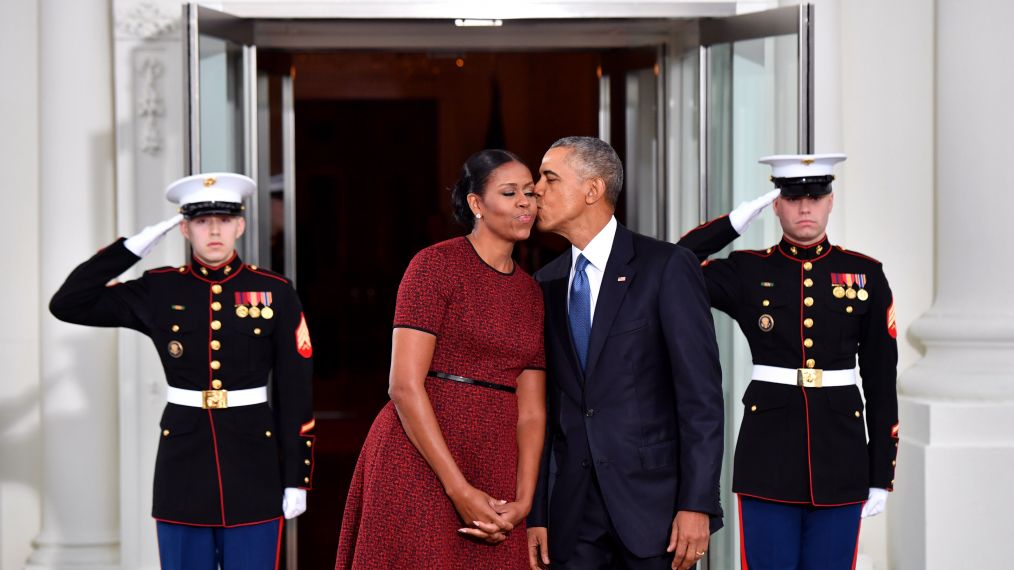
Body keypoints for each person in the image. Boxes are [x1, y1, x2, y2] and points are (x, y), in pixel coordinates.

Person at [49, 173, 315, 569]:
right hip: (183, 464)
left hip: (253, 465)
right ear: (184, 229)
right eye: (201, 221)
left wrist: (297, 476)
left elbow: (296, 389)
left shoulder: (275, 291)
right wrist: (134, 247)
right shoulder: (159, 290)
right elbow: (68, 303)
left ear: (239, 225)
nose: (214, 230)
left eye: (224, 220)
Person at [677, 154, 899, 569]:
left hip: (842, 458)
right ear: (776, 205)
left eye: (816, 197)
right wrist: (732, 224)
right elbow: (674, 267)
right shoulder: (746, 270)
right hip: (768, 457)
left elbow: (882, 382)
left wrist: (879, 474)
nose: (805, 207)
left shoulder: (865, 274)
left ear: (831, 201)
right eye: (793, 197)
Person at [335, 149, 547, 569]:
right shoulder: (435, 266)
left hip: (496, 461)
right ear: (476, 204)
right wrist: (458, 489)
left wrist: (524, 500)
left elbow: (532, 412)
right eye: (510, 193)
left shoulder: (532, 292)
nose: (526, 202)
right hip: (419, 457)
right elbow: (404, 384)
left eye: (531, 192)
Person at [526, 136, 725, 570]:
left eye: (550, 178)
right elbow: (545, 407)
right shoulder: (544, 283)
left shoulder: (667, 267)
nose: (536, 189)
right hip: (572, 515)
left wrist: (698, 503)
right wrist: (536, 513)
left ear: (593, 190)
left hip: (654, 511)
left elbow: (701, 399)